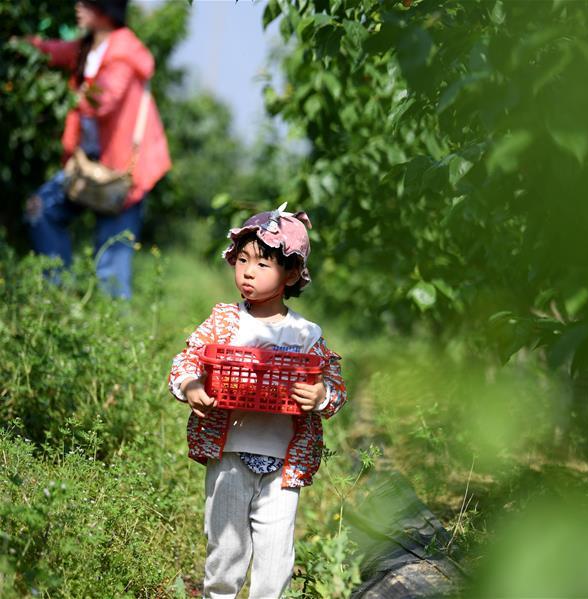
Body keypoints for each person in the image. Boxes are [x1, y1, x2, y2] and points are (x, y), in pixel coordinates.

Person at [168, 204, 348, 598]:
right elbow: (187, 359)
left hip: (283, 464)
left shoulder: (305, 334)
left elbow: (335, 385)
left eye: (262, 264)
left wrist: (321, 395)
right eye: (242, 260)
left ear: (291, 274)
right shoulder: (224, 322)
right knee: (225, 549)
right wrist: (191, 385)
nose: (248, 271)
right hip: (229, 454)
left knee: (276, 557)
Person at [23, 0, 170, 299]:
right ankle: (58, 297)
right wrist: (23, 44)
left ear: (105, 8)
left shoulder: (124, 51)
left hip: (124, 171)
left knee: (111, 267)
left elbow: (103, 100)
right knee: (41, 209)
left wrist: (62, 96)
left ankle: (112, 329)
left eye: (86, 2)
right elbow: (54, 50)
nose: (77, 6)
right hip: (87, 163)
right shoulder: (88, 48)